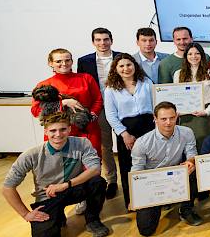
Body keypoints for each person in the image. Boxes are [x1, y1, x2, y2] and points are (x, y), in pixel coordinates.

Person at [2, 112, 110, 237]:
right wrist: (26, 214)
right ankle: (58, 214)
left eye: (63, 129)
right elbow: (7, 188)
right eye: (53, 130)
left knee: (97, 182)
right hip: (47, 196)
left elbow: (95, 169)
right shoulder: (31, 154)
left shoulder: (82, 143)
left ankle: (93, 220)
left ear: (69, 129)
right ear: (46, 132)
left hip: (72, 188)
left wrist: (65, 185)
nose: (58, 134)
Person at [32, 48, 103, 214]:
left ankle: (86, 199)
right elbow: (36, 111)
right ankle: (58, 204)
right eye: (58, 61)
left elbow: (98, 99)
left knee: (90, 166)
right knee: (59, 168)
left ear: (72, 61)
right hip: (60, 133)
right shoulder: (44, 85)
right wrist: (62, 103)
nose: (64, 64)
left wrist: (91, 115)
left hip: (87, 130)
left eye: (67, 60)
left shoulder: (86, 78)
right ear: (51, 63)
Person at [130, 102, 202, 235]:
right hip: (153, 184)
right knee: (146, 230)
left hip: (176, 176)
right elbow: (136, 171)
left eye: (172, 118)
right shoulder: (142, 143)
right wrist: (135, 196)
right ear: (155, 119)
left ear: (177, 117)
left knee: (196, 168)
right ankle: (161, 203)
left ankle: (186, 209)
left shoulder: (187, 132)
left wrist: (190, 161)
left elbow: (192, 153)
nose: (168, 122)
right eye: (163, 119)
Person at [103, 53, 155, 210]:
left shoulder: (146, 82)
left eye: (129, 65)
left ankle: (154, 198)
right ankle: (133, 201)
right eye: (121, 66)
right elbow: (110, 115)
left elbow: (156, 104)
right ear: (116, 69)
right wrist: (124, 134)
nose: (126, 68)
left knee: (150, 162)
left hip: (148, 126)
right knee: (129, 166)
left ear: (135, 66)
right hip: (126, 129)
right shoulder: (110, 89)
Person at [76, 27, 120, 198]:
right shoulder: (84, 61)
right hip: (98, 108)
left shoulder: (121, 57)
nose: (102, 43)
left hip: (120, 106)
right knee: (105, 146)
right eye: (98, 40)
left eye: (106, 39)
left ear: (111, 40)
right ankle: (110, 181)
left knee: (125, 144)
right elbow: (83, 86)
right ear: (93, 42)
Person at [173, 42, 210, 152]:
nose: (194, 57)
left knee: (207, 147)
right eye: (190, 54)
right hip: (186, 117)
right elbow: (176, 96)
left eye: (197, 53)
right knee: (190, 146)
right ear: (186, 56)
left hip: (205, 117)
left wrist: (206, 111)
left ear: (202, 55)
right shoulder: (178, 74)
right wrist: (179, 110)